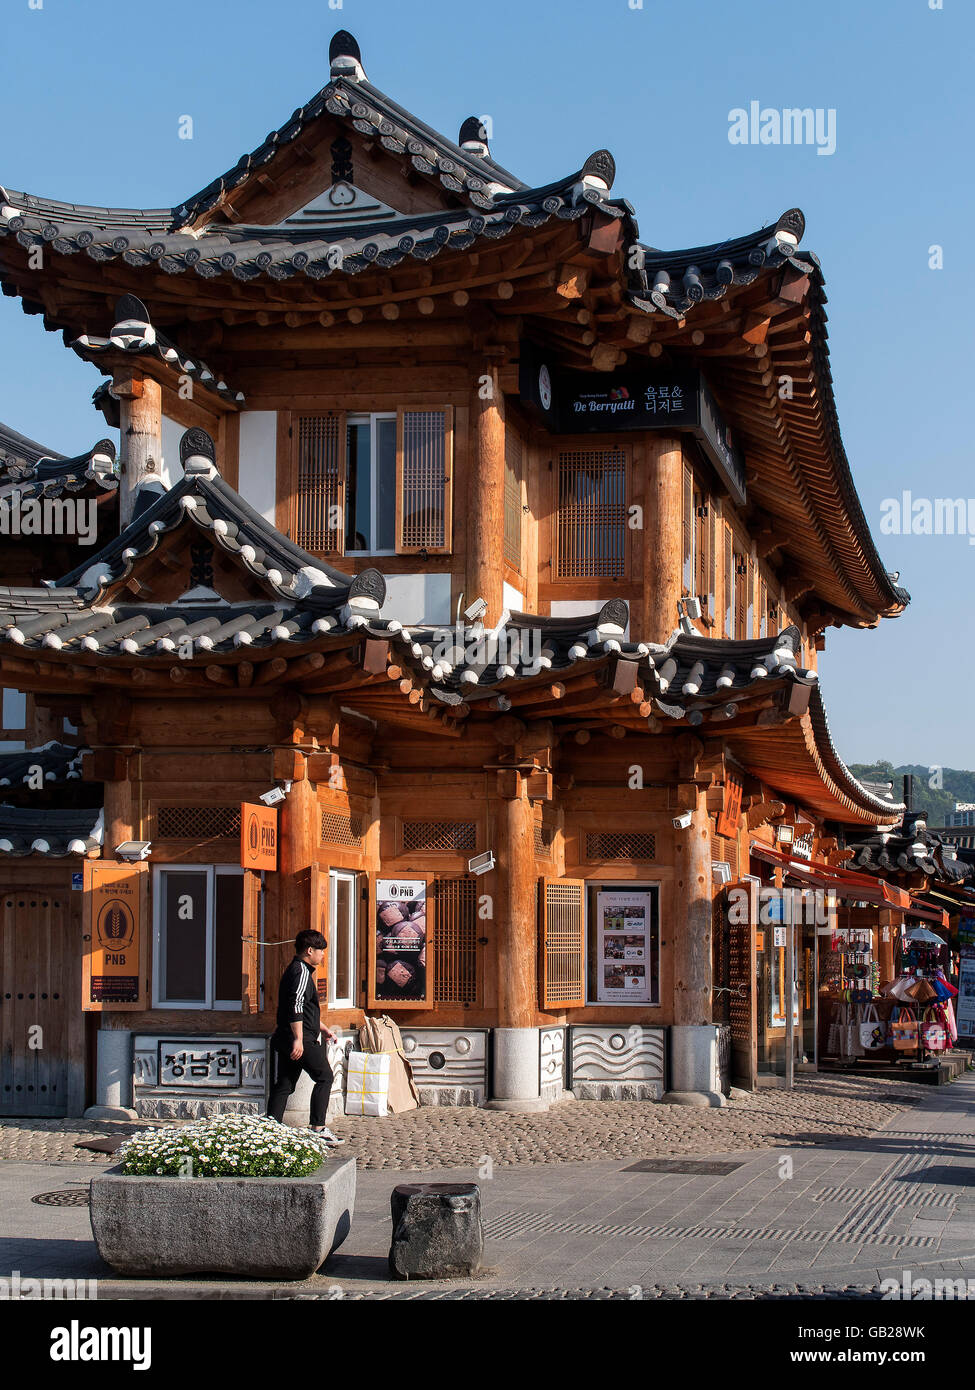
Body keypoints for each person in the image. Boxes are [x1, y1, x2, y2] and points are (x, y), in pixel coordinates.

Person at [266, 929, 344, 1143]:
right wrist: (299, 1039)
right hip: (299, 1039)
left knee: (284, 1084)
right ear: (310, 951)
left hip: (289, 1036)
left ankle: (270, 1128)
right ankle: (318, 1128)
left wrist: (323, 1028)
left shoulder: (299, 970)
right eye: (321, 951)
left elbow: (306, 1010)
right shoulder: (300, 971)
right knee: (325, 1076)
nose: (323, 955)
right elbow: (295, 1006)